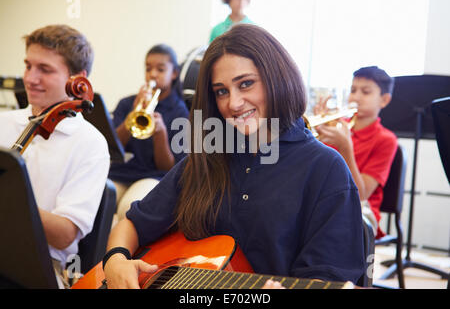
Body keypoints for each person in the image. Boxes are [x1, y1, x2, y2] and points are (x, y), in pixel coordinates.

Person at [102, 24, 365, 289]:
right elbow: (132, 224)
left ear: (277, 79)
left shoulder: (326, 168)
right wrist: (115, 260)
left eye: (246, 84)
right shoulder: (207, 159)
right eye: (221, 91)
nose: (233, 103)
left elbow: (328, 278)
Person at [0, 24, 110, 288]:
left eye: (45, 69)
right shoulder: (4, 122)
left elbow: (63, 235)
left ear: (77, 80)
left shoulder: (90, 144)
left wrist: (13, 202)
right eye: (28, 66)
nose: (30, 78)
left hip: (39, 267)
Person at [314, 66, 397, 239]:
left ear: (384, 100)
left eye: (366, 92)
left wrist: (346, 148)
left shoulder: (386, 140)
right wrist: (314, 136)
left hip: (361, 211)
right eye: (353, 90)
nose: (356, 97)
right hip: (325, 202)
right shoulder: (336, 126)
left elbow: (361, 195)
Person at [108, 44, 189, 221]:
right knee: (98, 200)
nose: (153, 74)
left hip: (154, 177)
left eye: (160, 69)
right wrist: (132, 115)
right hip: (121, 173)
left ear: (174, 73)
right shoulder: (127, 103)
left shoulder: (180, 112)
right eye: (148, 68)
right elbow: (113, 149)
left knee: (128, 208)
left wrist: (160, 134)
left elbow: (169, 169)